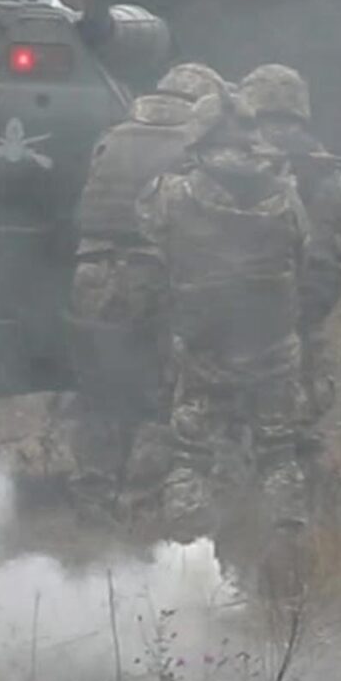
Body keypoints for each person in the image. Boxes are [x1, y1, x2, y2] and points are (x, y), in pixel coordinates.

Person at [138, 85, 308, 605]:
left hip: (204, 350)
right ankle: (286, 556)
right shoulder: (285, 189)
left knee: (190, 454)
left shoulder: (172, 191)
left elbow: (150, 238)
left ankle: (190, 569)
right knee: (279, 454)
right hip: (273, 346)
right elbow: (301, 250)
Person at [62, 62, 230, 532]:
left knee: (98, 393)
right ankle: (140, 502)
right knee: (159, 396)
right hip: (154, 274)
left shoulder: (110, 137)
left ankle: (92, 497)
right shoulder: (195, 145)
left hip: (90, 273)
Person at [236, 65, 341, 456]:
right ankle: (294, 468)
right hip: (303, 295)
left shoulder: (236, 145)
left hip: (236, 291)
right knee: (300, 395)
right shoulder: (317, 157)